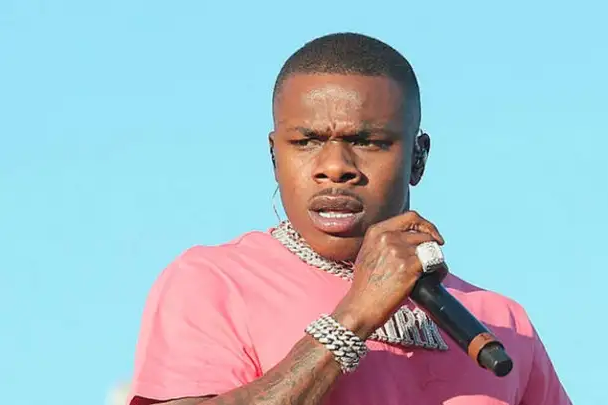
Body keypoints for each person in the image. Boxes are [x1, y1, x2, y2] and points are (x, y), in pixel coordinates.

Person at [127, 32, 572, 405]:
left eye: (369, 142)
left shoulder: (502, 322)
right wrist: (354, 317)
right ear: (274, 157)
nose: (335, 167)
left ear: (418, 158)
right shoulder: (213, 282)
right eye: (306, 142)